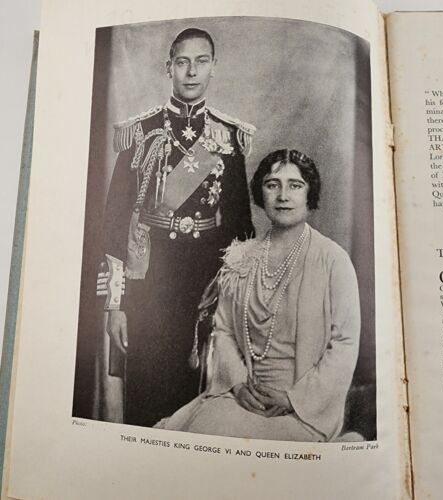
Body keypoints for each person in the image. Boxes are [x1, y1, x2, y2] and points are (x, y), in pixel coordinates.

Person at [100, 28, 255, 426]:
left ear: (214, 68)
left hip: (205, 280)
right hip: (149, 274)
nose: (191, 72)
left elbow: (240, 226)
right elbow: (115, 221)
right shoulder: (140, 131)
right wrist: (116, 305)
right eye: (182, 62)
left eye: (201, 62)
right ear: (168, 67)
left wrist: (230, 296)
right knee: (148, 384)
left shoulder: (228, 138)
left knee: (197, 395)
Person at [154, 149, 361, 442]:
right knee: (205, 431)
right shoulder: (241, 256)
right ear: (260, 193)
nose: (283, 196)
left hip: (301, 409)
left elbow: (345, 342)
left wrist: (292, 399)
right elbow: (222, 329)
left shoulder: (333, 261)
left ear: (309, 194)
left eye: (295, 185)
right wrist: (238, 384)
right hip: (243, 397)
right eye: (272, 184)